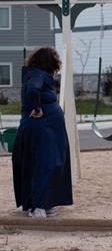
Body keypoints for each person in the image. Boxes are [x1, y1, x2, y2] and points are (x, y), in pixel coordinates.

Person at [12, 47, 73, 218]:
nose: (57, 63)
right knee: (44, 165)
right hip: (42, 130)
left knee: (53, 163)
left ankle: (45, 203)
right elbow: (32, 90)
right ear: (47, 61)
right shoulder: (36, 76)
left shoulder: (38, 75)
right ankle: (37, 206)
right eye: (55, 60)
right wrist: (37, 108)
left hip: (49, 130)